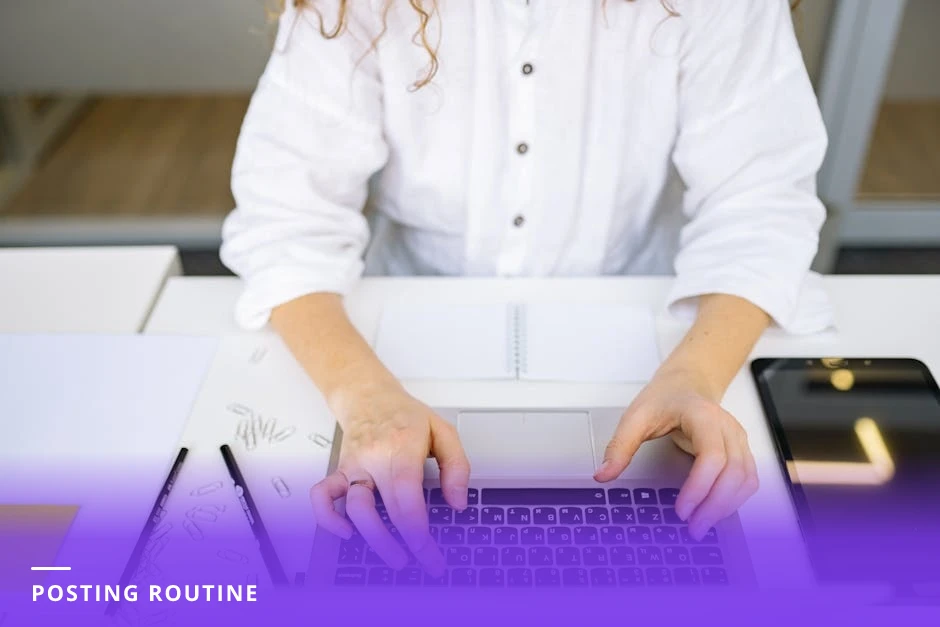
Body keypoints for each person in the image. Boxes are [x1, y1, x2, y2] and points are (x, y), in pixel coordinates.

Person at [220, 0, 833, 577]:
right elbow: (286, 217)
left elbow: (759, 203)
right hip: (398, 324)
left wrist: (695, 378)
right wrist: (367, 401)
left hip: (644, 322)